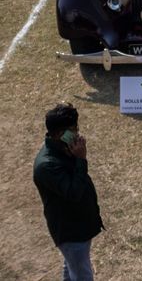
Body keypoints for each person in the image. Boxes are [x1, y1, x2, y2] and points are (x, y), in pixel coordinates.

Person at [33, 103, 104, 281]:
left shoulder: (62, 149)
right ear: (58, 134)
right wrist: (80, 160)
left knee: (72, 267)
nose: (77, 133)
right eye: (73, 129)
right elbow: (74, 192)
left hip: (78, 225)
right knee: (81, 275)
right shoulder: (47, 165)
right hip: (71, 232)